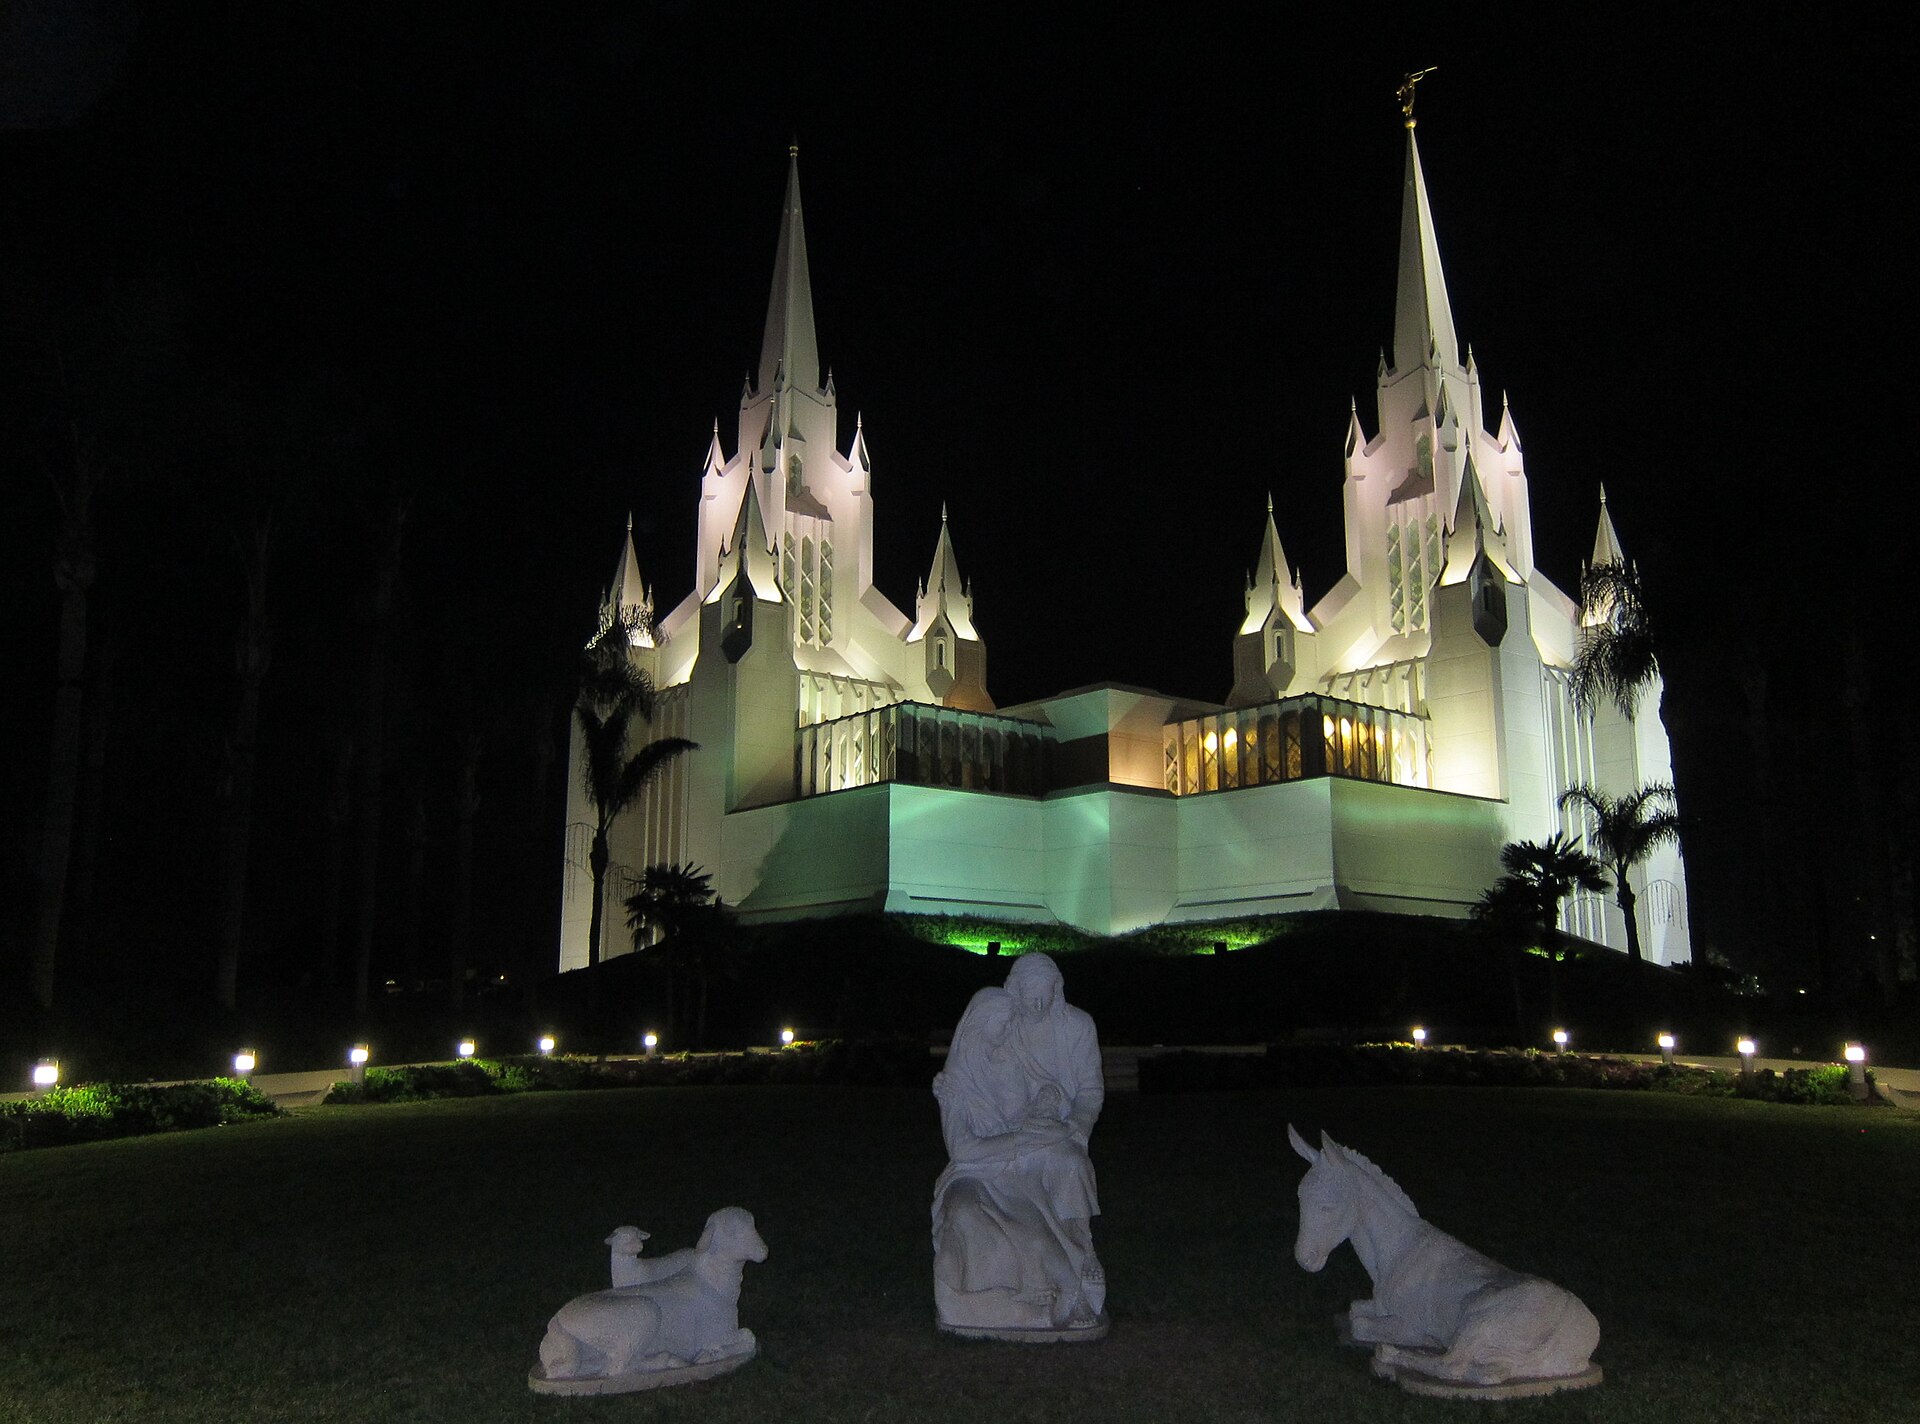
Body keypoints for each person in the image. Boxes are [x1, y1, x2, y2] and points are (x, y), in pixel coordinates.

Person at [931, 953, 1106, 1331]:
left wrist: (1059, 1111)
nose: (1036, 1007)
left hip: (1041, 1138)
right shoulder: (987, 1054)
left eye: (1046, 995)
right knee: (1011, 1211)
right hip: (997, 1157)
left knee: (1069, 1161)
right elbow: (967, 1142)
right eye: (1028, 999)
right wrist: (1022, 1134)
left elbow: (1072, 1091)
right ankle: (1041, 1286)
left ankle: (1081, 1245)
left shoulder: (1075, 1028)